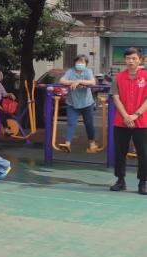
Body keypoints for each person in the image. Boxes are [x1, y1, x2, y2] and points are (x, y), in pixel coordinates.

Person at [109, 47, 147, 194]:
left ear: (140, 60)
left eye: (134, 58)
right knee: (120, 151)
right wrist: (126, 116)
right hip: (121, 121)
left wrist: (135, 115)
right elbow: (115, 97)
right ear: (124, 60)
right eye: (128, 58)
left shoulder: (146, 76)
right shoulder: (118, 77)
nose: (130, 61)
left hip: (142, 121)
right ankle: (120, 180)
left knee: (143, 152)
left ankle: (142, 182)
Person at [60, 56, 101, 153]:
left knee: (89, 124)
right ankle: (67, 144)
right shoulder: (70, 71)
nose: (80, 64)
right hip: (72, 103)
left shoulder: (87, 71)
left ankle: (92, 143)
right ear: (74, 63)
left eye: (82, 62)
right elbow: (62, 80)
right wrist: (73, 82)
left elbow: (92, 82)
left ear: (86, 64)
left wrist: (79, 81)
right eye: (78, 62)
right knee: (71, 123)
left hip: (87, 103)